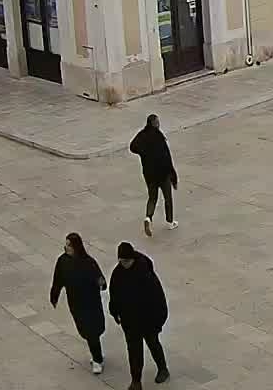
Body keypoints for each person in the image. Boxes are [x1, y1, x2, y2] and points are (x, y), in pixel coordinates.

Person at [109, 243, 168, 389]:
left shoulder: (145, 272)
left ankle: (162, 368)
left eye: (126, 261)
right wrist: (114, 311)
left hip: (148, 320)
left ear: (132, 258)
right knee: (134, 350)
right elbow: (114, 294)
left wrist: (159, 320)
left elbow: (158, 298)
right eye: (121, 261)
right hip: (129, 321)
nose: (123, 264)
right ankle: (136, 380)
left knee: (153, 344)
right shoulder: (117, 273)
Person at [50, 232, 107, 374]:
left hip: (91, 302)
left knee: (92, 331)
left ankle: (97, 359)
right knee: (86, 331)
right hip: (76, 303)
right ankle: (97, 354)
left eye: (69, 245)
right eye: (66, 244)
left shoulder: (88, 262)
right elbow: (58, 280)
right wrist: (54, 295)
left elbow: (100, 279)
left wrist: (101, 283)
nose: (66, 247)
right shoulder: (63, 261)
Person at [129, 115, 179, 236]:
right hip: (162, 174)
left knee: (152, 198)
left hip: (149, 174)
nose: (158, 124)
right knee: (167, 197)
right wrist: (173, 175)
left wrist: (143, 152)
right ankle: (170, 221)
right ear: (153, 123)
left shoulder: (142, 135)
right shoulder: (159, 137)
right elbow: (167, 158)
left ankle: (148, 218)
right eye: (157, 122)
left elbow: (132, 147)